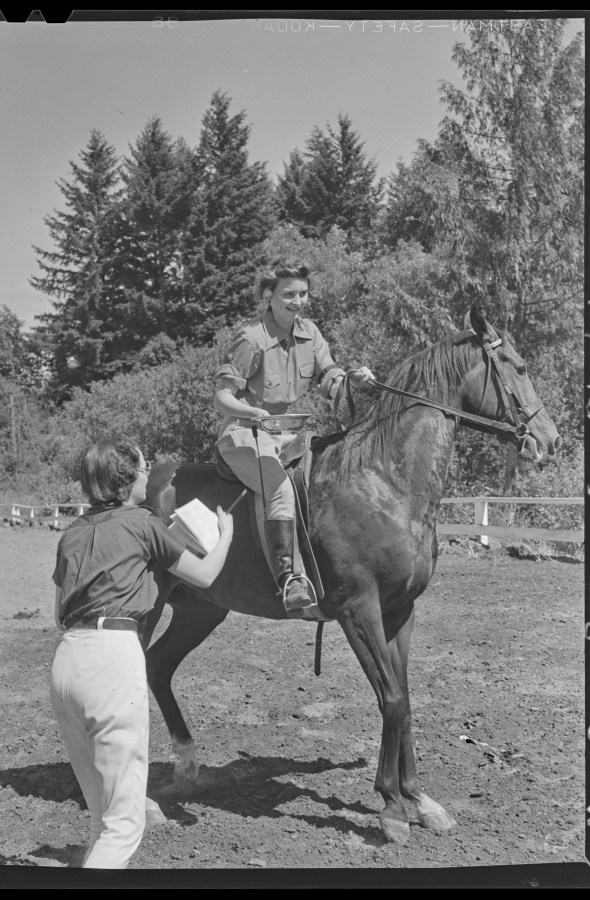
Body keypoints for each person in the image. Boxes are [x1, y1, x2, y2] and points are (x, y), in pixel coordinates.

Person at [49, 436, 233, 869]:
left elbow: (59, 612)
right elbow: (205, 576)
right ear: (127, 479)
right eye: (144, 468)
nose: (149, 475)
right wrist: (225, 535)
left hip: (66, 661)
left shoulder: (72, 534)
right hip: (112, 660)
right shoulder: (145, 524)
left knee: (102, 815)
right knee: (125, 826)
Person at [213, 260, 373, 615]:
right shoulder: (252, 339)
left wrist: (351, 380)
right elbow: (221, 397)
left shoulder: (310, 333)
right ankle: (290, 580)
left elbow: (329, 375)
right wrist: (251, 412)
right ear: (269, 296)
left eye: (302, 294)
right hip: (244, 433)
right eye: (289, 294)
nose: (297, 301)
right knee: (282, 489)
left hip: (287, 432)